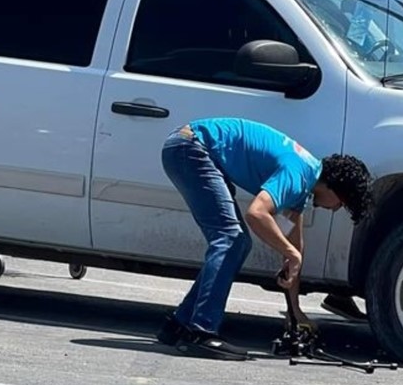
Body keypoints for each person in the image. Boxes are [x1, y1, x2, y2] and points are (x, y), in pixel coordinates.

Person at [154, 117, 373, 361]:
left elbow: (293, 246)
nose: (334, 210)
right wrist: (291, 253)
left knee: (235, 241)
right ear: (334, 189)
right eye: (340, 204)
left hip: (190, 146)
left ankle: (178, 325)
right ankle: (200, 332)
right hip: (192, 147)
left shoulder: (305, 183)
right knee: (232, 240)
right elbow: (257, 214)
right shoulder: (298, 175)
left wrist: (295, 311)